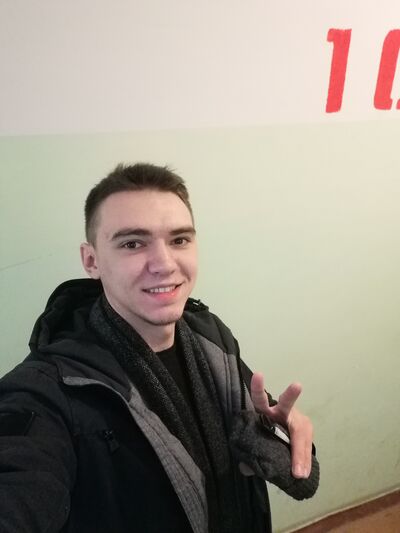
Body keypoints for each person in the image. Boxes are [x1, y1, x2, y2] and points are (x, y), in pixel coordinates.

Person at [0, 163, 317, 533]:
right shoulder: (47, 390)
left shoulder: (211, 336)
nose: (165, 264)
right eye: (133, 243)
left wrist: (277, 434)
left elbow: (257, 418)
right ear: (91, 261)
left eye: (179, 240)